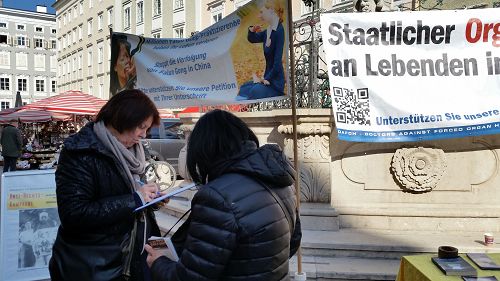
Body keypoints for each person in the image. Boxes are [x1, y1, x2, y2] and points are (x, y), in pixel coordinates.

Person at [145, 109, 302, 280]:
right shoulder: (281, 181)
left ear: (204, 150)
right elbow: (293, 242)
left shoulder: (216, 197)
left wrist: (159, 262)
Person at [49, 89, 163, 281]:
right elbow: (74, 214)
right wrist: (136, 198)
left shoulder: (134, 151)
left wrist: (151, 199)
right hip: (93, 265)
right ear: (123, 119)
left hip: (129, 258)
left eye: (147, 129)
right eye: (141, 127)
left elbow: (131, 196)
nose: (144, 134)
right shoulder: (80, 152)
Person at [237, 0, 286, 101]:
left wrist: (266, 78)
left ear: (271, 10)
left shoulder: (279, 31)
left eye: (261, 12)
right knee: (244, 88)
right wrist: (251, 30)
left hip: (275, 82)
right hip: (266, 79)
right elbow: (252, 39)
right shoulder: (268, 30)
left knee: (254, 91)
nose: (259, 16)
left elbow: (277, 63)